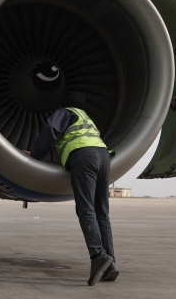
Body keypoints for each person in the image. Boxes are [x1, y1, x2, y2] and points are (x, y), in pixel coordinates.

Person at [25, 91, 118, 286]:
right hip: (103, 157)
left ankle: (97, 256)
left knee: (86, 209)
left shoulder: (66, 112)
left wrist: (34, 157)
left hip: (84, 157)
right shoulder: (86, 118)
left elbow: (50, 129)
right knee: (102, 213)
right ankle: (110, 264)